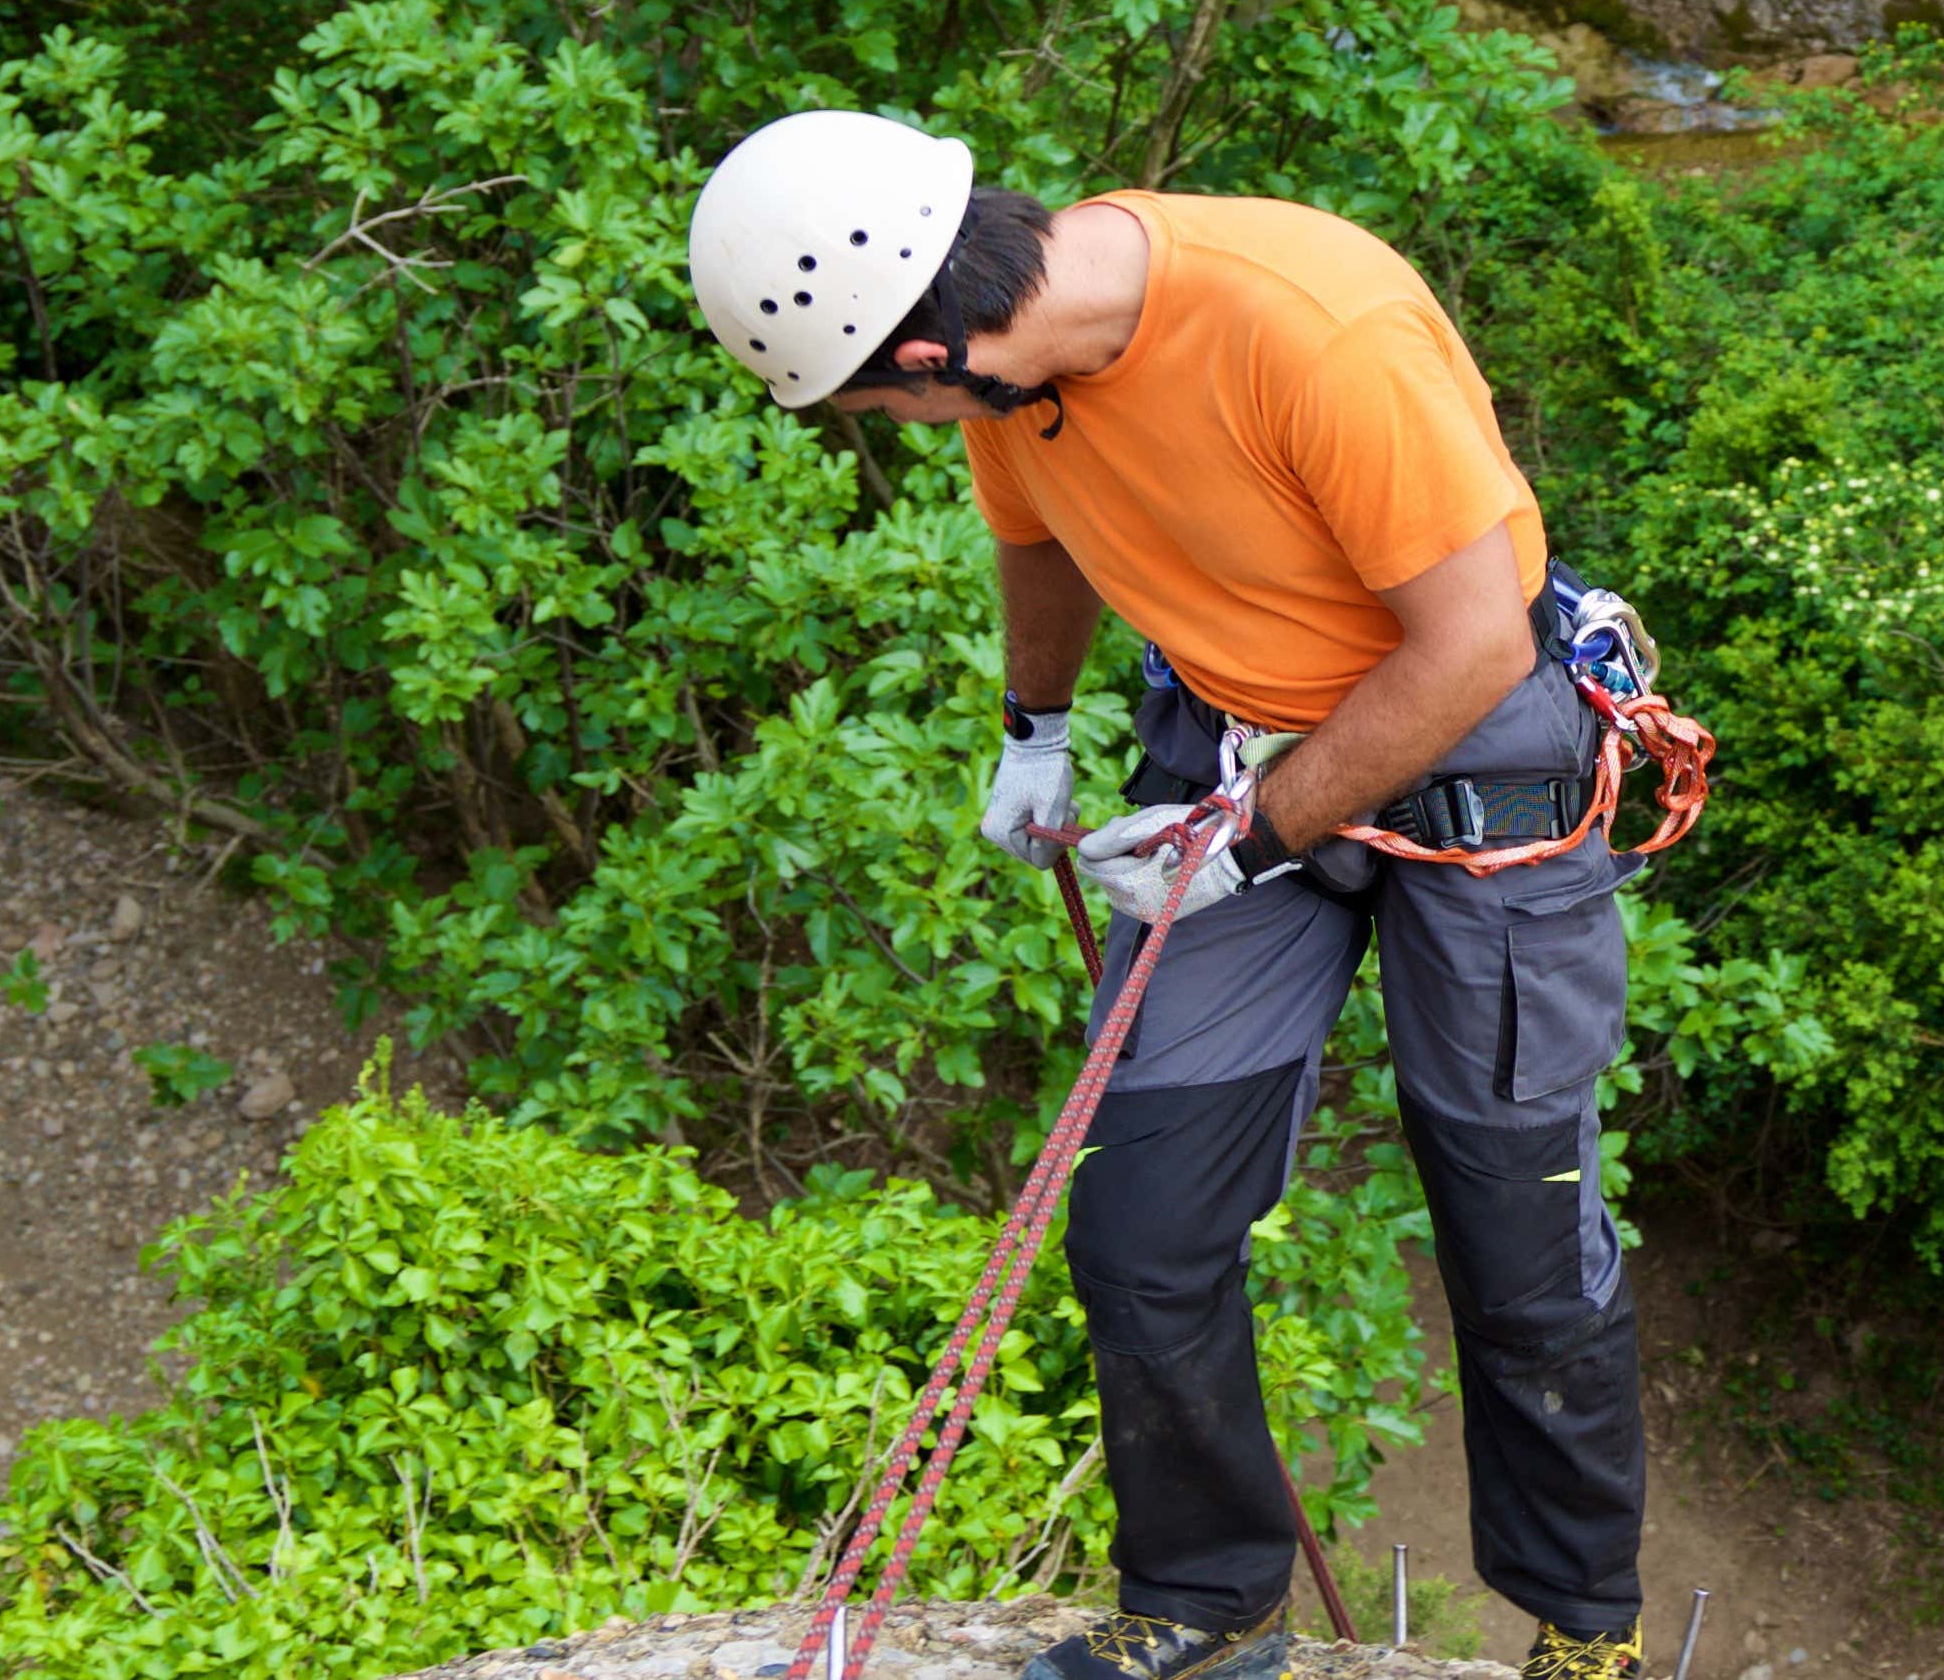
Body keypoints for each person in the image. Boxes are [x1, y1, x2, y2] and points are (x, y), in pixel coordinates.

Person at [687, 109, 1657, 1680]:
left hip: (1467, 749)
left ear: (928, 357)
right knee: (1139, 1220)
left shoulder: (1309, 326)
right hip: (1233, 749)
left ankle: (1581, 1632)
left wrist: (1258, 835)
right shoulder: (1018, 361)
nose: (914, 424)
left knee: (1515, 1227)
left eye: (888, 406)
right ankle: (1205, 1607)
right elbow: (1042, 545)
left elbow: (1472, 638)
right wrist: (1037, 725)